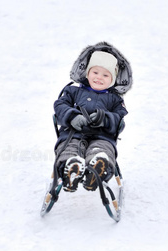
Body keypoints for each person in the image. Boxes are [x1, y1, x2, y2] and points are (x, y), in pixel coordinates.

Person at [53, 42, 132, 193]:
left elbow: (119, 120)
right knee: (69, 149)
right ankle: (71, 168)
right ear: (87, 73)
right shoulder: (72, 91)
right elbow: (60, 106)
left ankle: (97, 170)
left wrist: (105, 119)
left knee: (101, 150)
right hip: (73, 134)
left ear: (113, 79)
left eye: (105, 75)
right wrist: (72, 116)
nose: (99, 78)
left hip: (102, 137)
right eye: (95, 72)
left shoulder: (115, 100)